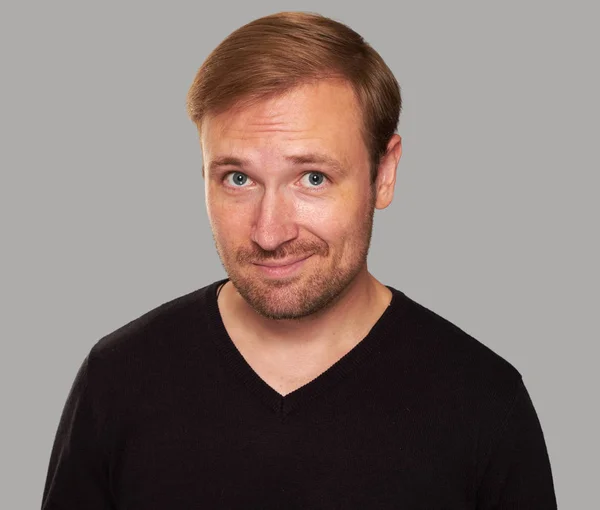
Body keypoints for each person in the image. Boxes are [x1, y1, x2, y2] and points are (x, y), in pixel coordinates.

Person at [41, 11, 557, 509]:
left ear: (384, 173)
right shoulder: (118, 380)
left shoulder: (484, 402)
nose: (269, 233)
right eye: (237, 179)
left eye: (313, 177)